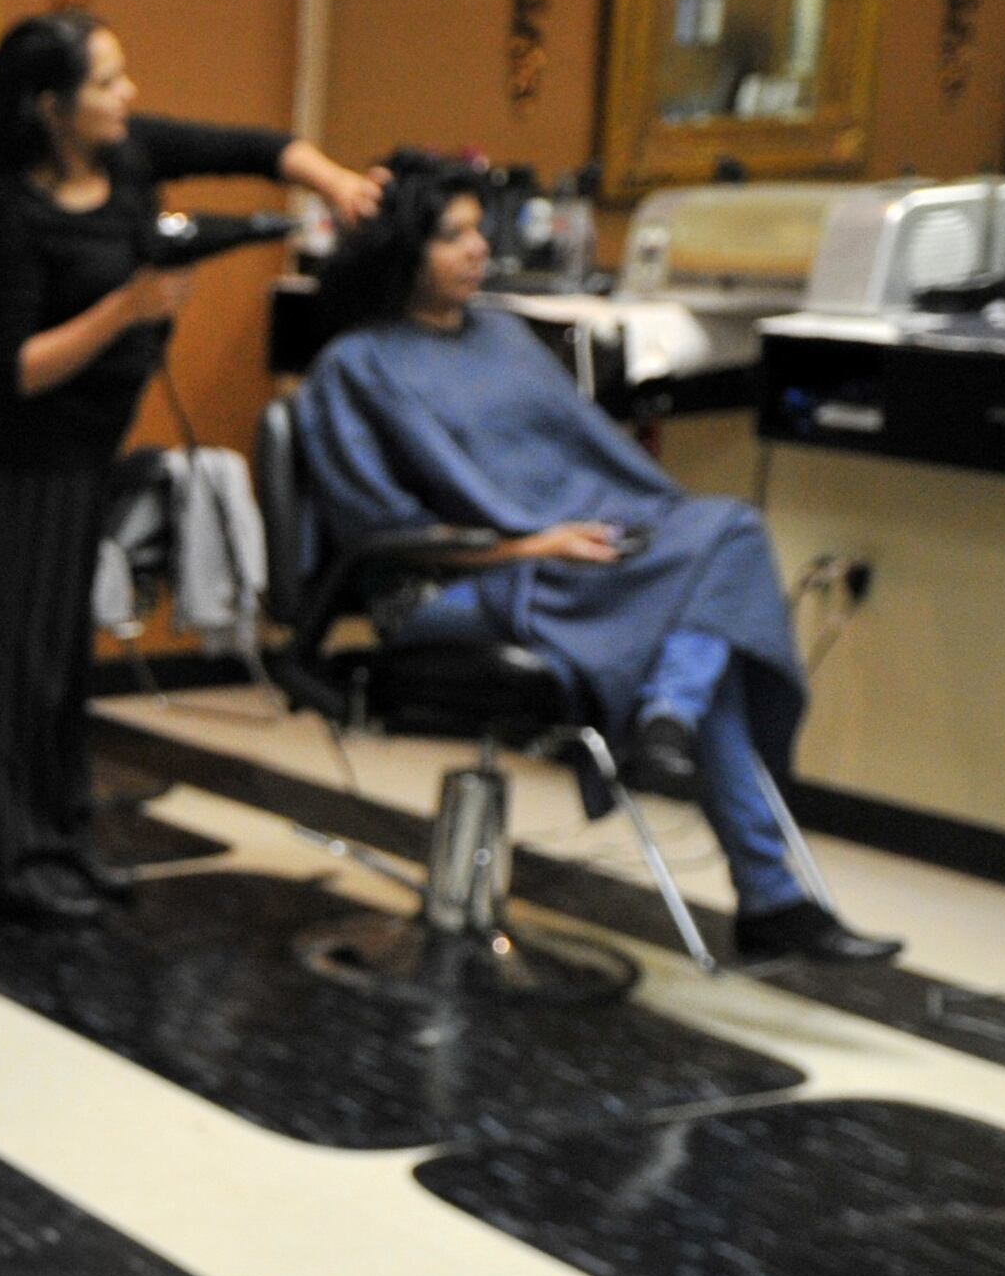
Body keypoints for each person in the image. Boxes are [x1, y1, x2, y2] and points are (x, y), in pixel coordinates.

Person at [296, 156, 901, 964]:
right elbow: (375, 524)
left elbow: (582, 459)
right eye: (453, 236)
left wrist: (599, 534)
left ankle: (680, 737)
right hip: (446, 586)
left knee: (725, 535)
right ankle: (759, 880)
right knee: (707, 636)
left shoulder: (503, 334)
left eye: (480, 231)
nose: (478, 249)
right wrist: (527, 546)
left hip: (561, 559)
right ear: (402, 251)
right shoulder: (355, 366)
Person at [0, 12, 389, 922]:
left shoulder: (130, 155)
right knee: (28, 664)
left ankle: (67, 844)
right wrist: (127, 307)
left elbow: (257, 149)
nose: (129, 94)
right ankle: (18, 864)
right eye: (107, 81)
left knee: (67, 663)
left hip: (92, 447)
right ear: (51, 106)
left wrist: (336, 184)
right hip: (29, 456)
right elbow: (18, 367)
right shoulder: (7, 214)